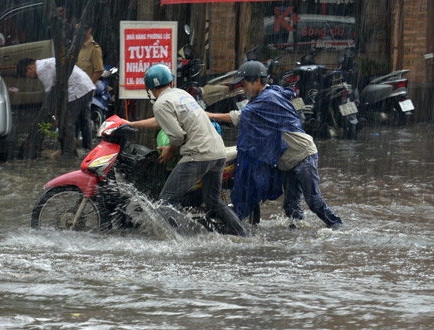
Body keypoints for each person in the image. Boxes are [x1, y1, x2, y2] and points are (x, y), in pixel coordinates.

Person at [207, 60, 346, 229]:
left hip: (302, 155)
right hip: (287, 160)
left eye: (244, 84)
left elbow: (241, 117)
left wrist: (209, 115)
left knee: (314, 201)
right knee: (291, 207)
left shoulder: (268, 98)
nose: (243, 89)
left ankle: (339, 227)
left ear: (257, 81)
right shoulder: (262, 98)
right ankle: (297, 239)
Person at [127, 64, 248, 237]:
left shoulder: (160, 103)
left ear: (150, 88)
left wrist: (170, 150)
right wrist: (132, 124)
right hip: (218, 152)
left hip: (197, 155)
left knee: (165, 202)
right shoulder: (181, 94)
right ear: (170, 81)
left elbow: (177, 136)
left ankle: (179, 241)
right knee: (214, 201)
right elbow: (160, 120)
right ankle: (244, 235)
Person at [16, 57, 95, 150]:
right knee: (84, 121)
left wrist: (56, 115)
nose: (29, 77)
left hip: (76, 90)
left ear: (29, 68)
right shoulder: (45, 62)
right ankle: (88, 148)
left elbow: (52, 95)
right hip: (87, 85)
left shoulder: (41, 70)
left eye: (27, 75)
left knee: (67, 122)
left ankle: (68, 151)